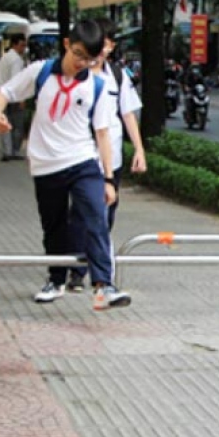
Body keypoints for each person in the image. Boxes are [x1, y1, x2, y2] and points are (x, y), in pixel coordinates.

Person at [0, 19, 131, 311]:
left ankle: (104, 285)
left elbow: (102, 133)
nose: (82, 62)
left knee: (95, 216)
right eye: (78, 54)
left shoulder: (97, 86)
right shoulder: (40, 72)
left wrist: (107, 178)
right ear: (67, 44)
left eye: (90, 59)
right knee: (53, 225)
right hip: (45, 165)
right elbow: (6, 92)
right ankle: (55, 280)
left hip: (82, 161)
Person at [67, 18, 147, 293]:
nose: (105, 48)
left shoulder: (117, 75)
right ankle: (78, 270)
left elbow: (127, 113)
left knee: (105, 216)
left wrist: (139, 149)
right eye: (102, 42)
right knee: (83, 214)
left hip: (111, 158)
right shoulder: (78, 73)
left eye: (110, 43)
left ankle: (93, 262)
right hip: (83, 156)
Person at [0, 33, 28, 161]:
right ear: (15, 44)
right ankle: (14, 150)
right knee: (17, 125)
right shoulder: (16, 60)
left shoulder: (4, 58)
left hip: (2, 93)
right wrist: (21, 98)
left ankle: (7, 151)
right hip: (13, 95)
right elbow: (17, 80)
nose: (24, 48)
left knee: (5, 123)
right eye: (22, 45)